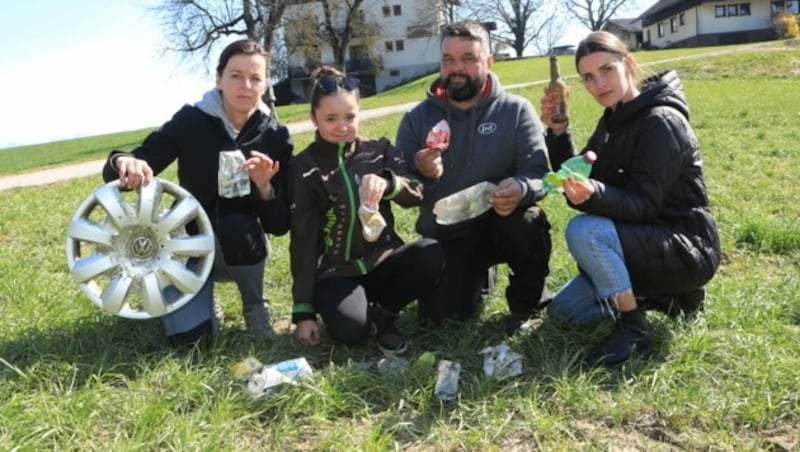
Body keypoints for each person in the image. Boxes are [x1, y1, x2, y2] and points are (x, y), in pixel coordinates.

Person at [540, 31, 721, 368]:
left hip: (684, 247)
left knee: (584, 231)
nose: (598, 84)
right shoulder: (613, 119)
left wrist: (595, 194)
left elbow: (643, 206)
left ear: (629, 64)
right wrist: (558, 132)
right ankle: (670, 297)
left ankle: (634, 328)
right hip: (641, 244)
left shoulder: (661, 123)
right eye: (588, 78)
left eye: (606, 70)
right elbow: (581, 173)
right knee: (564, 313)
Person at [101, 39, 293, 345]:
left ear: (266, 82)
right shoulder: (191, 120)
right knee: (192, 342)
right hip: (188, 246)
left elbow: (281, 224)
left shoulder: (275, 136)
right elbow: (136, 161)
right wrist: (125, 162)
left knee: (238, 223)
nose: (246, 85)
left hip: (245, 246)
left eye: (255, 78)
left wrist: (264, 186)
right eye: (235, 75)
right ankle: (202, 299)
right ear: (218, 79)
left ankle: (255, 305)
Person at [395, 20, 552, 335]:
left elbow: (539, 174)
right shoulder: (416, 119)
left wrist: (521, 188)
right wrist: (423, 177)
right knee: (438, 321)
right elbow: (402, 193)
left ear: (488, 62)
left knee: (528, 220)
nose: (457, 68)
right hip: (448, 234)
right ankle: (479, 276)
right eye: (448, 59)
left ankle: (526, 305)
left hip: (501, 223)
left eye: (468, 58)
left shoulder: (516, 110)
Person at [288, 67, 445, 355]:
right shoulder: (304, 167)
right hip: (336, 272)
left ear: (359, 112)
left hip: (382, 259)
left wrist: (389, 183)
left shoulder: (379, 149)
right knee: (351, 331)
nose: (342, 126)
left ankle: (385, 315)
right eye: (331, 118)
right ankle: (363, 317)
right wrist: (303, 312)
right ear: (314, 118)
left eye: (350, 116)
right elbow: (303, 239)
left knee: (431, 253)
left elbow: (416, 194)